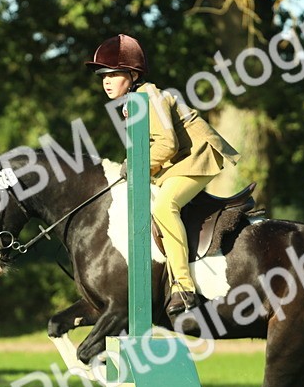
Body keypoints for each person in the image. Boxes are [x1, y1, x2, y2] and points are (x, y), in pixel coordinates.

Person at [85, 34, 240, 318]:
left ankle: (183, 285)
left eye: (113, 74)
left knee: (164, 207)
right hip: (180, 158)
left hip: (197, 156)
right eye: (103, 75)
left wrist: (134, 166)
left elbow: (167, 144)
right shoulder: (132, 100)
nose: (106, 81)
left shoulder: (147, 96)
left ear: (132, 75)